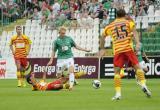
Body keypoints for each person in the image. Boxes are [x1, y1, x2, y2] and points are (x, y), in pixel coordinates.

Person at [100, 9, 151, 100]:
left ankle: (118, 94)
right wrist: (138, 42)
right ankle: (143, 84)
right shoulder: (128, 22)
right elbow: (134, 32)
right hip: (128, 48)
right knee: (137, 68)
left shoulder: (110, 25)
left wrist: (103, 48)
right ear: (124, 15)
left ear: (116, 15)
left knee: (117, 73)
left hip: (118, 50)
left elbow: (103, 36)